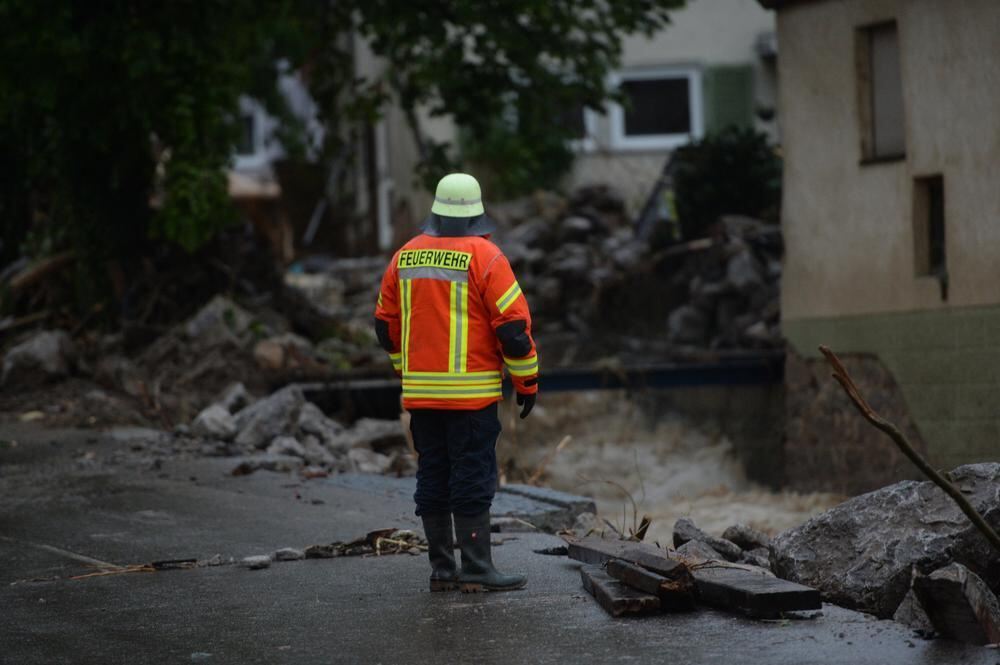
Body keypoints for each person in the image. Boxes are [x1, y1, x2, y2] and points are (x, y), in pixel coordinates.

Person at [373, 172, 539, 592]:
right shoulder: (487, 258)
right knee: (472, 475)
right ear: (476, 214)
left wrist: (402, 369)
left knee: (433, 474)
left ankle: (443, 570)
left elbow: (385, 326)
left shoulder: (404, 257)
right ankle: (479, 569)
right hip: (470, 398)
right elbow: (513, 331)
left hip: (421, 397)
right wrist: (527, 382)